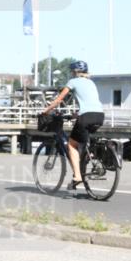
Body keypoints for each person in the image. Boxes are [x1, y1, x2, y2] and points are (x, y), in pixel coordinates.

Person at [41, 60, 105, 190]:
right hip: (99, 115)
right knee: (82, 141)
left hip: (86, 116)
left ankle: (77, 176)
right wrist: (77, 114)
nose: (71, 73)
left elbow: (59, 99)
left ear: (75, 72)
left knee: (71, 144)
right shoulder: (91, 83)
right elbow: (90, 103)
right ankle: (89, 158)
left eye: (71, 71)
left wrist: (46, 111)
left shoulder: (73, 82)